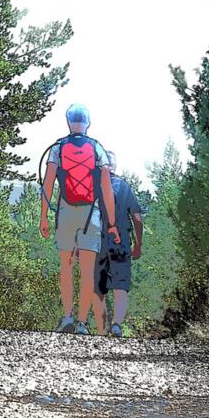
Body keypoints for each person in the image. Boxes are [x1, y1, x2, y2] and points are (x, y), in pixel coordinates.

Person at [39, 104, 119, 336]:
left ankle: (67, 317)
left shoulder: (57, 148)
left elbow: (48, 184)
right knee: (87, 270)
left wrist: (44, 215)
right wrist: (111, 223)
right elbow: (106, 190)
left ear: (67, 122)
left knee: (66, 266)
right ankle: (82, 323)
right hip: (91, 213)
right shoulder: (97, 149)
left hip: (65, 211)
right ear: (88, 123)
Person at [94, 150, 143, 338]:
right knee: (120, 286)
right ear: (115, 166)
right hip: (121, 242)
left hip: (98, 241)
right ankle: (116, 326)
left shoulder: (95, 188)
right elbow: (137, 219)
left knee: (99, 288)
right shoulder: (125, 187)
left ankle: (101, 329)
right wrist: (138, 245)